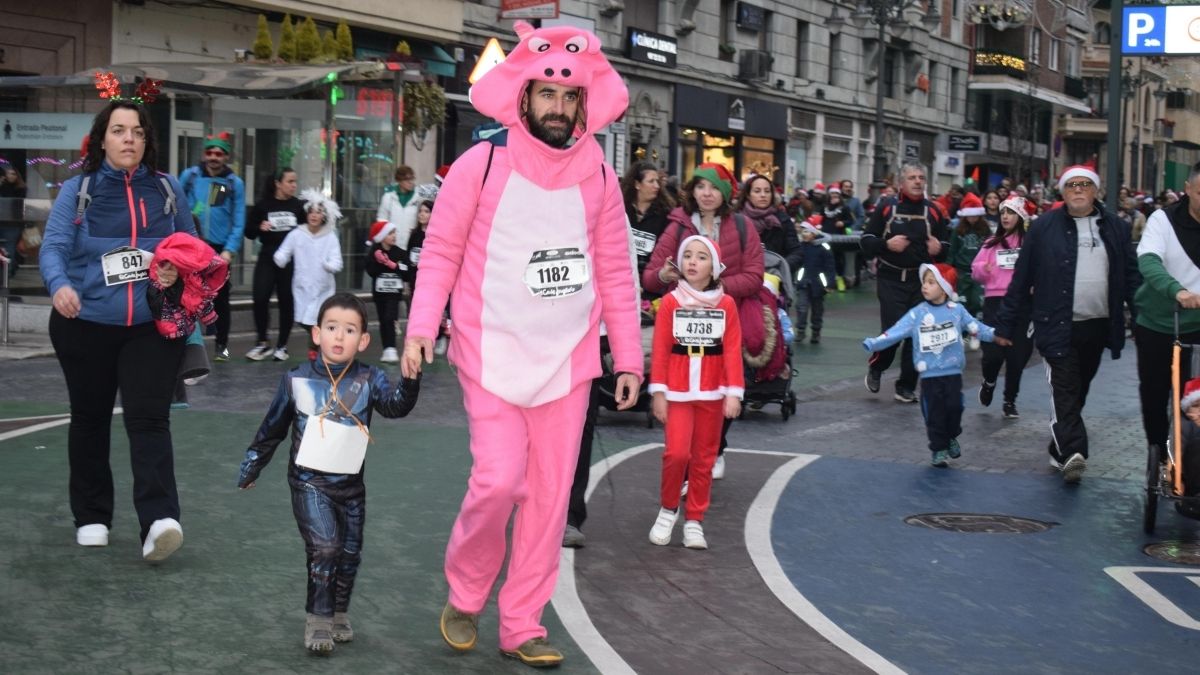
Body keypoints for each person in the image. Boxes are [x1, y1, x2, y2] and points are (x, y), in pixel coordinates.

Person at [401, 21, 643, 668]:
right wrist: (421, 327)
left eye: (570, 98)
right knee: (499, 480)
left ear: (584, 103)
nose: (559, 108)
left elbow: (617, 270)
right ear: (524, 97)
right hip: (491, 350)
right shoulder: (479, 166)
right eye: (547, 95)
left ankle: (523, 623)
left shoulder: (598, 177)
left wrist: (628, 354)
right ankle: (467, 590)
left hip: (568, 360)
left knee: (548, 499)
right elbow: (442, 252)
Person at [39, 99, 196, 560]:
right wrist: (59, 284)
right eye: (118, 130)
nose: (129, 138)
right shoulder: (78, 190)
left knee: (149, 419)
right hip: (84, 324)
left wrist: (175, 268)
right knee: (89, 420)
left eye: (137, 131)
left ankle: (160, 520)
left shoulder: (167, 189)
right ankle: (91, 517)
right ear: (102, 138)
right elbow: (54, 247)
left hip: (151, 324)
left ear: (147, 140)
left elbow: (191, 248)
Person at [238, 293, 420, 654]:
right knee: (325, 546)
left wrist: (411, 381)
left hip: (352, 487)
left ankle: (338, 612)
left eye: (350, 330)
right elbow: (272, 428)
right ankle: (318, 620)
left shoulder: (371, 379)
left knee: (350, 552)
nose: (340, 336)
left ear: (363, 340)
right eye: (332, 327)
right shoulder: (296, 380)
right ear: (317, 333)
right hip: (308, 483)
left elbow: (395, 407)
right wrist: (252, 463)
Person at [993, 165, 1140, 483]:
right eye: (1071, 185)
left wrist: (1140, 318)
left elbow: (1130, 276)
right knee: (1065, 387)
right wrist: (1005, 325)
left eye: (1085, 184)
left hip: (1098, 324)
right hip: (1055, 323)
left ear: (1095, 191)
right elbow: (1021, 278)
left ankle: (1059, 446)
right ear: (1062, 191)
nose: (1078, 189)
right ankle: (1075, 452)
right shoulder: (1043, 227)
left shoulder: (1115, 227)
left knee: (1078, 390)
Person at [563, 161, 671, 549]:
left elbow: (623, 277)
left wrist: (623, 352)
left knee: (580, 425)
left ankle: (570, 514)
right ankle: (531, 501)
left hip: (588, 336)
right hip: (532, 337)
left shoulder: (608, 207)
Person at [643, 163, 765, 481]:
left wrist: (718, 290)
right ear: (692, 192)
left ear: (724, 193)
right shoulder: (678, 226)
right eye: (699, 187)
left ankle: (715, 448)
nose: (706, 194)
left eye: (712, 188)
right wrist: (664, 275)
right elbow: (651, 276)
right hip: (682, 326)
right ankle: (687, 461)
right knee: (685, 390)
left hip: (727, 318)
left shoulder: (742, 227)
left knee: (726, 386)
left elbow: (754, 276)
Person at [647, 235, 743, 549]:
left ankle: (694, 520)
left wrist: (733, 392)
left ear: (714, 267)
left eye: (701, 257)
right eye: (687, 255)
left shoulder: (726, 304)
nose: (692, 262)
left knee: (703, 459)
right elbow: (660, 349)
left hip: (712, 393)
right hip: (676, 392)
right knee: (676, 454)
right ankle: (668, 508)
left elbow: (731, 350)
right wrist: (658, 392)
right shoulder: (671, 302)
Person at [862, 264, 1002, 466]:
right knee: (934, 414)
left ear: (944, 287)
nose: (925, 287)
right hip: (929, 376)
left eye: (931, 282)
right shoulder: (917, 314)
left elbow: (976, 328)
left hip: (953, 373)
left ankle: (951, 435)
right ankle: (938, 449)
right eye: (924, 282)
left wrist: (996, 334)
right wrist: (874, 342)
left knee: (955, 408)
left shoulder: (957, 311)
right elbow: (896, 332)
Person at [860, 162, 950, 403]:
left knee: (918, 334)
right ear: (902, 182)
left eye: (921, 177)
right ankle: (878, 366)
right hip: (890, 278)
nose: (918, 181)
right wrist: (886, 245)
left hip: (921, 281)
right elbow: (866, 240)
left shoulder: (934, 211)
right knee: (894, 332)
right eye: (912, 177)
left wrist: (939, 248)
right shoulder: (887, 207)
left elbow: (947, 247)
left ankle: (906, 386)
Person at [1134, 162, 1200, 466]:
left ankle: (1191, 459)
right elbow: (1149, 261)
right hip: (1160, 322)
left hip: (1198, 326)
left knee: (1195, 397)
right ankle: (1159, 453)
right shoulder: (1164, 220)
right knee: (1156, 392)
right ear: (1187, 190)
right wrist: (1177, 290)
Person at [179, 132, 245, 362]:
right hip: (193, 245)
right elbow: (176, 206)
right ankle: (186, 344)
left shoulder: (234, 183)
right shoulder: (190, 176)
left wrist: (230, 250)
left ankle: (222, 346)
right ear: (204, 154)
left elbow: (239, 219)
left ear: (226, 156)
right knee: (186, 296)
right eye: (210, 152)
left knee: (221, 300)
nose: (214, 157)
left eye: (219, 153)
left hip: (219, 248)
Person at [972, 196, 1034, 418]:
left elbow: (1040, 269)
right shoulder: (991, 243)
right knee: (993, 354)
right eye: (1003, 212)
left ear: (1021, 217)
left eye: (1011, 212)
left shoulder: (1029, 243)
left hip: (1022, 304)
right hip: (995, 303)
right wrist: (984, 268)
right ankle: (989, 382)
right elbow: (975, 271)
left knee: (1018, 357)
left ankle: (1010, 400)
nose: (1006, 216)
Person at [275, 189, 344, 361]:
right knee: (304, 319)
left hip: (323, 287)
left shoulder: (330, 237)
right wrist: (280, 258)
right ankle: (319, 345)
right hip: (302, 286)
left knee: (320, 319)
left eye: (318, 212)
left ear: (324, 216)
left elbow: (337, 260)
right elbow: (284, 251)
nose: (314, 216)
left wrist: (330, 265)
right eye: (311, 212)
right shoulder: (297, 234)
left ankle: (315, 349)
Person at [244, 167, 305, 362]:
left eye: (295, 182)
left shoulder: (299, 206)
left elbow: (308, 230)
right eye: (290, 181)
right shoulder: (263, 205)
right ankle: (262, 342)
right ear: (278, 183)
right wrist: (259, 227)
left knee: (287, 301)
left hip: (291, 260)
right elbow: (249, 232)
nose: (294, 185)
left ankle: (282, 345)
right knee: (260, 297)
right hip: (268, 256)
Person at [739, 173, 802, 278]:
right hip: (744, 279)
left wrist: (780, 269)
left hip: (775, 280)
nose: (763, 195)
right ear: (748, 195)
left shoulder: (782, 219)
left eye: (767, 191)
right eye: (757, 191)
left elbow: (797, 252)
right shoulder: (737, 219)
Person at [364, 220, 409, 364]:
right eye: (390, 233)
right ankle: (387, 350)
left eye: (394, 232)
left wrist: (392, 265)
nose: (393, 236)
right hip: (379, 294)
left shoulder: (400, 253)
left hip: (394, 294)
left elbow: (407, 272)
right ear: (381, 236)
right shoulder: (374, 252)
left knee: (390, 317)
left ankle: (392, 348)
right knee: (383, 320)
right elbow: (370, 271)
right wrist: (379, 261)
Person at [793, 218, 837, 343]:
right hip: (803, 282)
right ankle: (800, 330)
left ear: (814, 233)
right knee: (801, 307)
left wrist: (829, 283)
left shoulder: (824, 248)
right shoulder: (801, 247)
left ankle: (816, 331)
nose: (804, 234)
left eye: (807, 231)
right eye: (803, 232)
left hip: (818, 285)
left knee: (817, 310)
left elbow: (830, 267)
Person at [948, 192, 990, 318]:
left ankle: (978, 331)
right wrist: (948, 269)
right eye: (969, 216)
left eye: (975, 215)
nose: (972, 218)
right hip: (961, 272)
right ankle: (964, 332)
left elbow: (990, 249)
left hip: (979, 272)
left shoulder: (985, 229)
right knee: (962, 302)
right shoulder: (957, 230)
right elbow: (952, 250)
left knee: (978, 302)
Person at [376, 165, 418, 249]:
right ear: (399, 181)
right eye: (407, 179)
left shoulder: (418, 197)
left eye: (412, 179)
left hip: (411, 244)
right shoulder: (388, 197)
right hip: (392, 244)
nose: (410, 182)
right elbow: (381, 220)